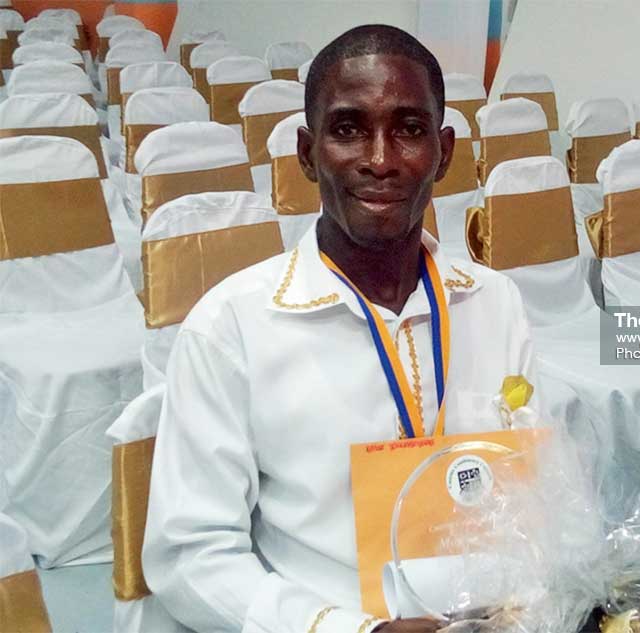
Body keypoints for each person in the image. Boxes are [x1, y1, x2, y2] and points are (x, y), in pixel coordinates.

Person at [142, 24, 539, 633]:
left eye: (409, 130)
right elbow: (189, 555)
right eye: (348, 129)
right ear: (307, 153)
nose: (380, 160)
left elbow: (529, 496)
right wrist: (348, 629)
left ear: (445, 152)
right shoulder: (233, 327)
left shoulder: (494, 302)